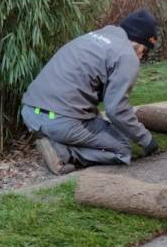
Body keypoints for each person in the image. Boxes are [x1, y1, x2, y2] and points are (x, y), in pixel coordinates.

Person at [21, 9, 160, 175]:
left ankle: (57, 140)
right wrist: (145, 139)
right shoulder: (126, 55)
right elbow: (116, 109)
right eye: (144, 51)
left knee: (106, 130)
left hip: (30, 111)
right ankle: (63, 153)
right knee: (123, 149)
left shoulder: (95, 37)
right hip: (59, 120)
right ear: (139, 43)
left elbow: (81, 88)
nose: (141, 57)